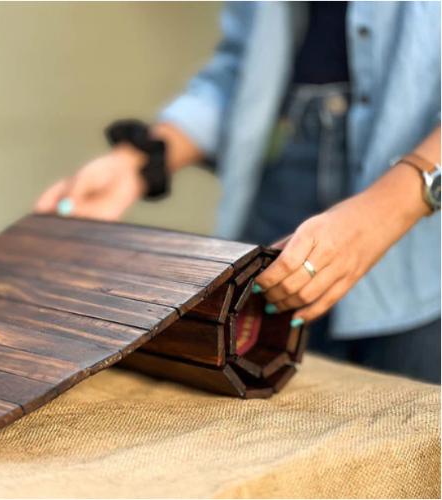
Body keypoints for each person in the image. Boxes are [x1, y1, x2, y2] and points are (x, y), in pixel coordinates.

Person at [36, 2, 441, 384]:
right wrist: (140, 161)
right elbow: (241, 69)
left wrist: (387, 209)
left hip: (421, 267)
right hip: (276, 222)